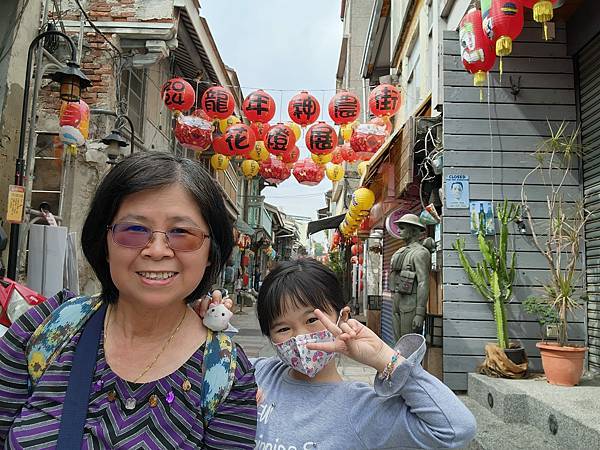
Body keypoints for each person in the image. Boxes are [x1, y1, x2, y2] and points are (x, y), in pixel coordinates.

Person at [0, 152, 257, 449]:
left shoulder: (226, 375)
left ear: (211, 253)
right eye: (134, 229)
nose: (157, 250)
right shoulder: (48, 327)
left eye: (182, 232)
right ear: (104, 243)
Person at [252, 258, 476, 449]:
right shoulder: (259, 375)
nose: (300, 338)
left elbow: (455, 429)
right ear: (270, 336)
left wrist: (382, 357)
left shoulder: (362, 409)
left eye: (312, 320)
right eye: (283, 329)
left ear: (343, 317)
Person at [389, 213, 431, 342]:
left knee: (409, 344)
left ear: (413, 230)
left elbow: (423, 282)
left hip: (410, 305)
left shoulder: (420, 253)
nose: (398, 230)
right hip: (397, 302)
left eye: (402, 227)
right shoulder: (400, 252)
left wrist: (419, 313)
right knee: (399, 343)